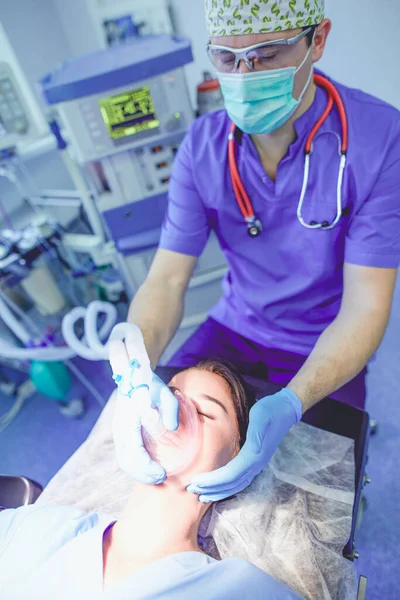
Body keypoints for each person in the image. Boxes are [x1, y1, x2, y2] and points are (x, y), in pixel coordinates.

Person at [110, 0, 400, 502]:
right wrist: (136, 371)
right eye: (227, 59)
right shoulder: (202, 147)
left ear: (318, 40)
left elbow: (366, 306)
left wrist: (293, 402)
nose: (246, 75)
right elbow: (166, 280)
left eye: (267, 54)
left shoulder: (379, 140)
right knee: (145, 452)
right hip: (234, 326)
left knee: (319, 496)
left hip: (324, 336)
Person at [0, 362, 301, 599]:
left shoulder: (238, 589)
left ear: (239, 459)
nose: (176, 413)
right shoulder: (34, 526)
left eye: (204, 412)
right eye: (168, 396)